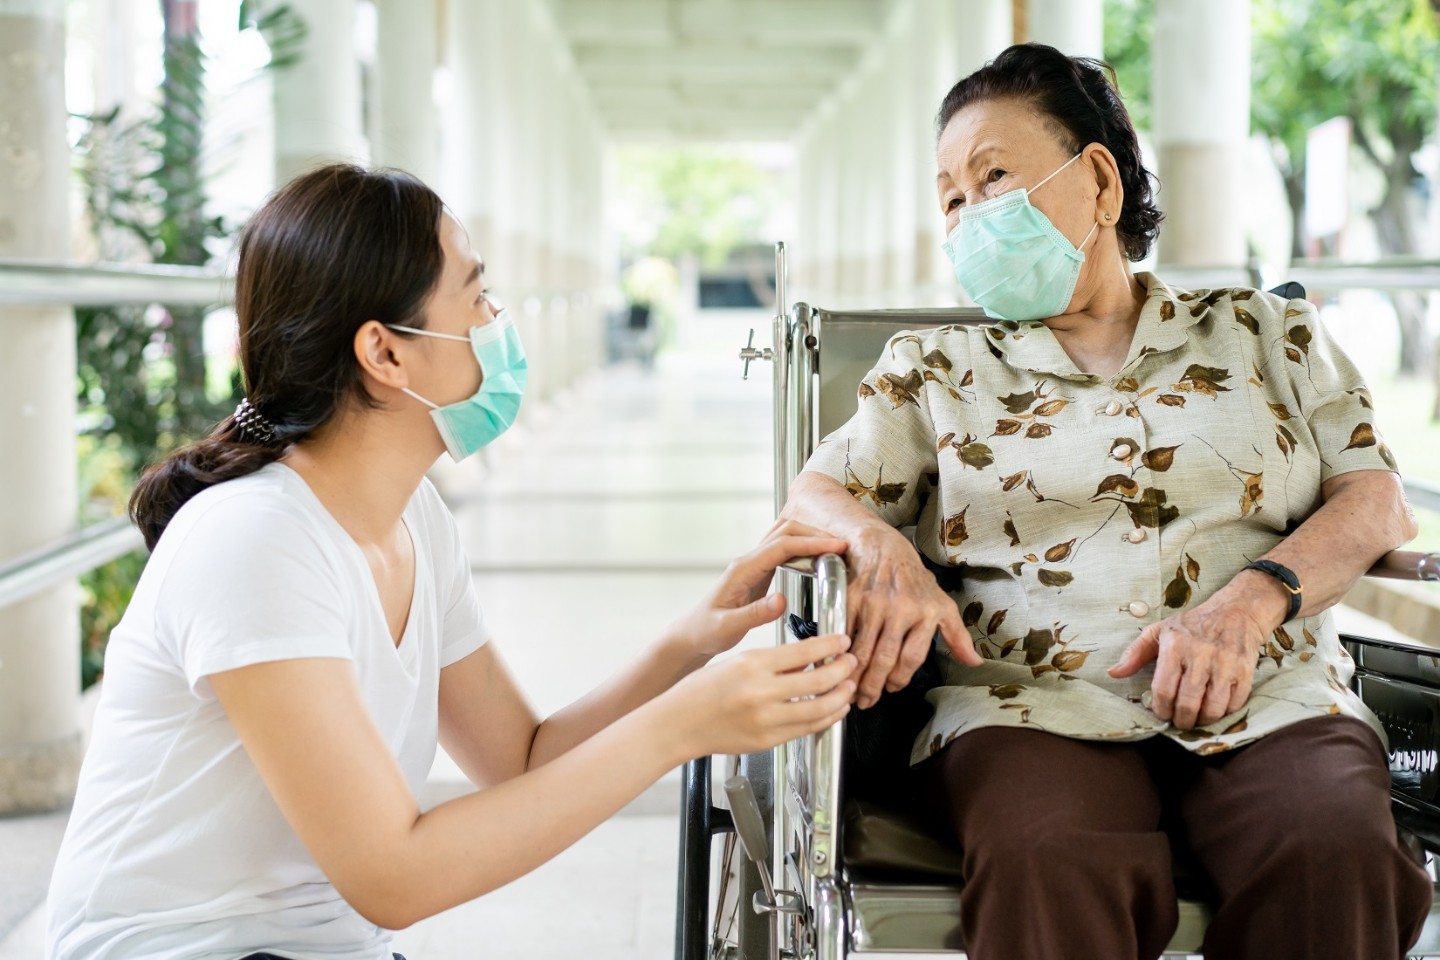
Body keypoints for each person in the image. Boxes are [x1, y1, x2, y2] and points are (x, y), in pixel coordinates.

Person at [46, 164, 857, 960]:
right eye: (475, 296)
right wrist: (681, 728)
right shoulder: (256, 540)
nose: (499, 319)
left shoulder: (412, 520)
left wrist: (690, 647)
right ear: (386, 354)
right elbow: (393, 878)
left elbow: (520, 760)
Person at [781, 43, 1433, 959]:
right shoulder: (934, 370)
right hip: (1029, 706)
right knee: (1050, 854)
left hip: (1269, 691)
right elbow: (812, 498)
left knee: (1332, 849)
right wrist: (884, 550)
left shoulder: (1267, 334)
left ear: (1097, 181)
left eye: (992, 178)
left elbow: (1374, 502)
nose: (968, 216)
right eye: (951, 200)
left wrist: (1253, 601)